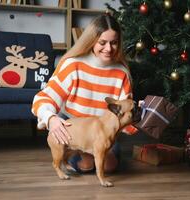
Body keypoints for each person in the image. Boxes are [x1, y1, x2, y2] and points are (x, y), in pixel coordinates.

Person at [32, 14, 137, 173]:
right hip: (76, 128)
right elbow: (43, 98)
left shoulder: (122, 73)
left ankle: (91, 156)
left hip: (104, 130)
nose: (108, 49)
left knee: (109, 166)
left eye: (114, 43)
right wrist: (51, 119)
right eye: (102, 42)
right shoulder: (72, 65)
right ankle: (72, 154)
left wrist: (142, 115)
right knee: (86, 165)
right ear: (91, 40)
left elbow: (125, 113)